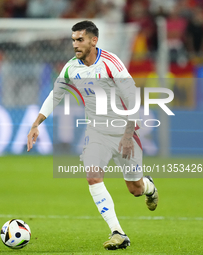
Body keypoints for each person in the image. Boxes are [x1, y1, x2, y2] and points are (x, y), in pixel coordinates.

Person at [26, 20, 158, 250]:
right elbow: (54, 95)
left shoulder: (111, 63)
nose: (75, 44)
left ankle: (149, 188)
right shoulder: (71, 67)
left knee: (135, 189)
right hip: (96, 132)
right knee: (93, 176)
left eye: (80, 40)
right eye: (73, 40)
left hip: (123, 130)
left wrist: (128, 135)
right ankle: (118, 232)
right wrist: (36, 123)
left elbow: (132, 98)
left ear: (93, 40)